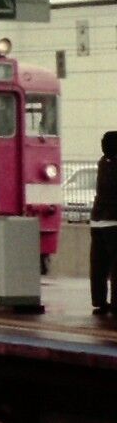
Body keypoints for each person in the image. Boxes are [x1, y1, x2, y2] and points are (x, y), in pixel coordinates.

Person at [93, 131, 117, 317]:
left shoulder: (103, 163)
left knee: (99, 265)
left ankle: (99, 301)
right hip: (113, 221)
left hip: (98, 220)